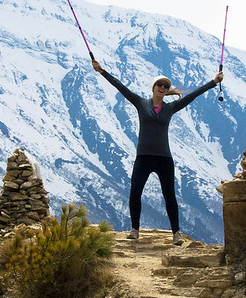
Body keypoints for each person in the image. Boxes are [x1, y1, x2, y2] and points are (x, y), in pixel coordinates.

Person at [92, 59, 224, 245]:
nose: (163, 87)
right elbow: (120, 87)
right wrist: (101, 71)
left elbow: (193, 95)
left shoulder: (170, 107)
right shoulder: (140, 103)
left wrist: (213, 82)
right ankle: (135, 230)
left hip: (164, 158)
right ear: (153, 87)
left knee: (169, 195)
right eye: (160, 84)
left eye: (166, 86)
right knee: (135, 192)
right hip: (143, 157)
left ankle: (176, 233)